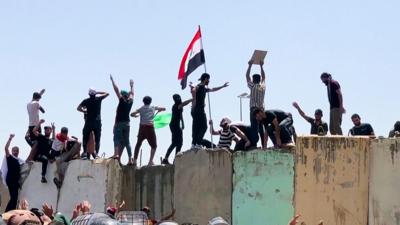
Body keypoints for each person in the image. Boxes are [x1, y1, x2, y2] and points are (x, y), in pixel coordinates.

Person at [191, 73, 229, 149]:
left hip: (195, 110)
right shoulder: (200, 86)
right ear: (205, 79)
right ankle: (198, 143)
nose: (209, 81)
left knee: (196, 127)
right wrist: (194, 96)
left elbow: (213, 89)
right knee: (204, 127)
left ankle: (193, 144)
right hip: (199, 110)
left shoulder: (203, 88)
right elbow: (194, 90)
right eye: (208, 79)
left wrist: (222, 86)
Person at [131, 96, 165, 166]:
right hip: (149, 128)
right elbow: (164, 108)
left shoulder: (141, 108)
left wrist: (136, 115)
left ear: (143, 101)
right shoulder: (153, 107)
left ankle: (134, 160)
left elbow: (131, 114)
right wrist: (159, 110)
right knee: (154, 146)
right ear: (150, 101)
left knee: (138, 144)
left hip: (142, 128)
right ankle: (150, 161)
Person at [77, 88, 109, 159]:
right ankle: (96, 154)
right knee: (97, 139)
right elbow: (107, 93)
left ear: (89, 94)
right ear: (94, 94)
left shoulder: (86, 101)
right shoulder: (98, 99)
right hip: (97, 122)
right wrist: (97, 92)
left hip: (88, 122)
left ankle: (85, 153)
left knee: (85, 137)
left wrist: (84, 111)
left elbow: (78, 108)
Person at [110, 75, 134, 165]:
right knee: (127, 141)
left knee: (116, 138)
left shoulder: (121, 101)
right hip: (127, 123)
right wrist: (132, 86)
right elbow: (132, 94)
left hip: (120, 123)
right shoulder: (130, 102)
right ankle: (130, 159)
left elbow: (116, 90)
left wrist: (113, 81)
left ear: (122, 95)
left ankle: (116, 154)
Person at [162, 94, 192, 165]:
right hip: (174, 125)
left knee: (179, 143)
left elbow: (181, 115)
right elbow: (184, 104)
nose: (177, 99)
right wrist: (192, 99)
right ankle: (166, 159)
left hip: (177, 125)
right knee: (175, 143)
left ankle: (176, 160)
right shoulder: (175, 106)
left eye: (178, 97)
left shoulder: (179, 106)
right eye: (176, 98)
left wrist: (183, 123)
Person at [246, 60, 266, 148]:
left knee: (254, 127)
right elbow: (264, 77)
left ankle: (254, 144)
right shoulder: (262, 87)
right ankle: (263, 145)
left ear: (253, 80)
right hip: (261, 110)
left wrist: (250, 65)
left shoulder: (253, 86)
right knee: (261, 128)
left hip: (254, 109)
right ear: (259, 80)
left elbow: (247, 77)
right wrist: (261, 66)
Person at [2, 134, 24, 212]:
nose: (15, 152)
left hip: (15, 181)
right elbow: (5, 148)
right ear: (12, 151)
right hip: (11, 180)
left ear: (18, 152)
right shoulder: (10, 158)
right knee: (13, 197)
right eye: (14, 151)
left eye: (16, 151)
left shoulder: (19, 161)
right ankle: (8, 212)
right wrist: (10, 139)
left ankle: (11, 211)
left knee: (15, 197)